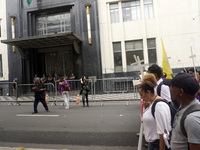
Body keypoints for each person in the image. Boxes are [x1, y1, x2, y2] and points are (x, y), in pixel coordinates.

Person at [163, 73, 200, 150]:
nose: (169, 88)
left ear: (180, 92)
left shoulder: (192, 119)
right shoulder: (183, 107)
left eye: (172, 86)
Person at [138, 73, 171, 150]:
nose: (141, 98)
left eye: (141, 95)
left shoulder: (159, 105)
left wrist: (161, 147)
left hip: (157, 144)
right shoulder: (152, 103)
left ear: (148, 92)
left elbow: (162, 132)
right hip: (153, 143)